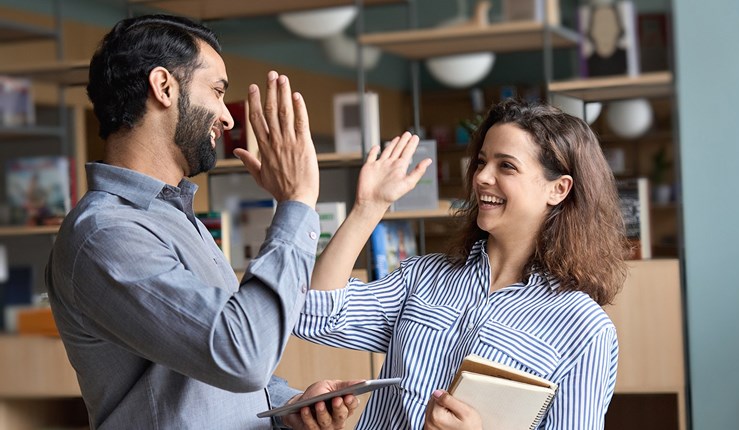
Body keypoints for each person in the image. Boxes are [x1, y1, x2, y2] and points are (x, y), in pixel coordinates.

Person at [45, 14, 361, 430]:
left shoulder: (174, 215)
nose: (227, 118)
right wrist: (297, 202)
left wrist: (289, 405)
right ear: (163, 87)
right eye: (216, 91)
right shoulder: (105, 234)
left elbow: (213, 365)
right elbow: (241, 355)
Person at [293, 99, 630, 429]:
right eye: (481, 162)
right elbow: (314, 314)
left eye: (506, 166)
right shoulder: (423, 277)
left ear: (558, 188)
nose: (482, 177)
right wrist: (369, 207)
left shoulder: (585, 329)